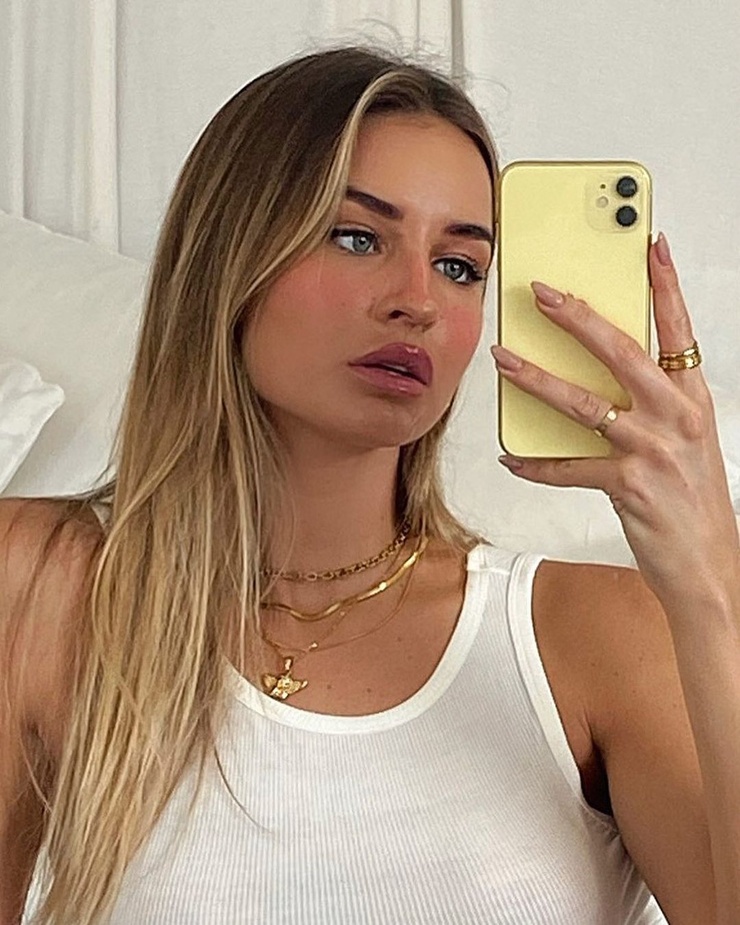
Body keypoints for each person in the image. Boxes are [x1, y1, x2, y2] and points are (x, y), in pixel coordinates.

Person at [1, 44, 738, 925]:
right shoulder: (40, 585)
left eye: (460, 265)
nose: (418, 300)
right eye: (358, 237)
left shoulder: (593, 635)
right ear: (228, 257)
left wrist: (709, 579)